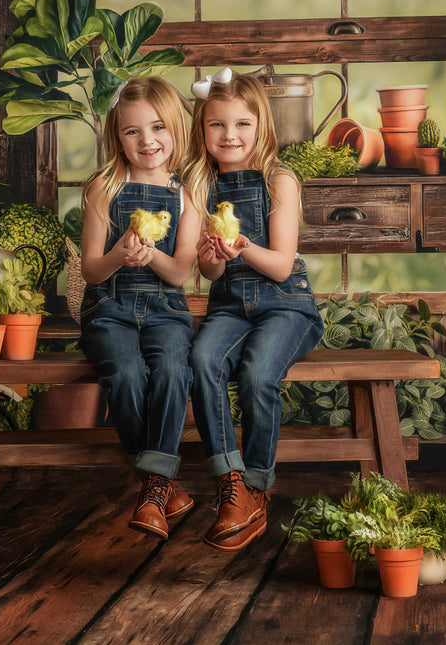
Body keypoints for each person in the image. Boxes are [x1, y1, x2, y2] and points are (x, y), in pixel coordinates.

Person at [185, 69, 324, 551]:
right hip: (230, 305)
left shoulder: (278, 180)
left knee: (258, 374)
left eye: (242, 124)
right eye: (217, 125)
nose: (230, 135)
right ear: (203, 129)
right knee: (201, 361)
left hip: (285, 306)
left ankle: (258, 484)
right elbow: (210, 274)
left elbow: (282, 265)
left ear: (261, 126)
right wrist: (213, 256)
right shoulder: (199, 185)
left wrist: (241, 246)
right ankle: (231, 483)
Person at [79, 76, 204, 539]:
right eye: (133, 131)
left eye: (157, 128)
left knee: (173, 371)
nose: (147, 140)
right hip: (109, 307)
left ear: (176, 129)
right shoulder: (104, 187)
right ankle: (160, 486)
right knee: (126, 375)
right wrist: (119, 255)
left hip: (165, 308)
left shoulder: (187, 193)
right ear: (118, 137)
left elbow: (180, 272)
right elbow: (92, 270)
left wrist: (151, 256)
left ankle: (154, 489)